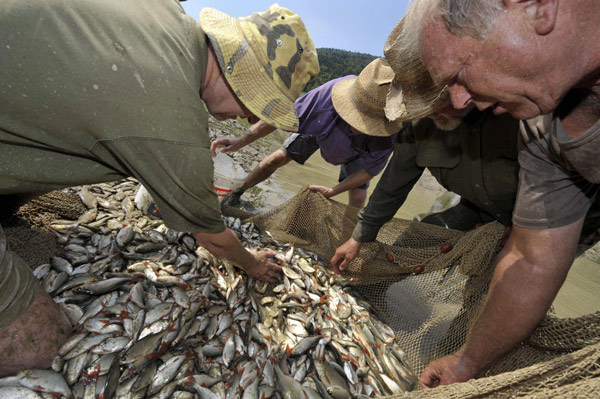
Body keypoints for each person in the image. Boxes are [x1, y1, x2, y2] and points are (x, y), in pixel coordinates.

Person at [0, 0, 318, 375]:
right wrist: (251, 264)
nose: (252, 117)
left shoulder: (163, 12)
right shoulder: (174, 127)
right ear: (238, 74)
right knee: (44, 351)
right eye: (259, 103)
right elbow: (212, 236)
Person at [390, 0, 600, 388]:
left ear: (538, 7)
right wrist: (466, 363)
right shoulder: (540, 133)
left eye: (459, 74)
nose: (457, 102)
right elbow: (531, 259)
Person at [211, 58, 402, 210]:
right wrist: (241, 140)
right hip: (322, 127)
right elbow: (280, 119)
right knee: (277, 158)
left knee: (358, 197)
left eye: (367, 123)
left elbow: (369, 171)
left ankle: (347, 241)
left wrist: (332, 191)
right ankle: (236, 193)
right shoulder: (326, 97)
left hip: (358, 151)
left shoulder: (389, 131)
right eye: (357, 118)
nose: (357, 126)